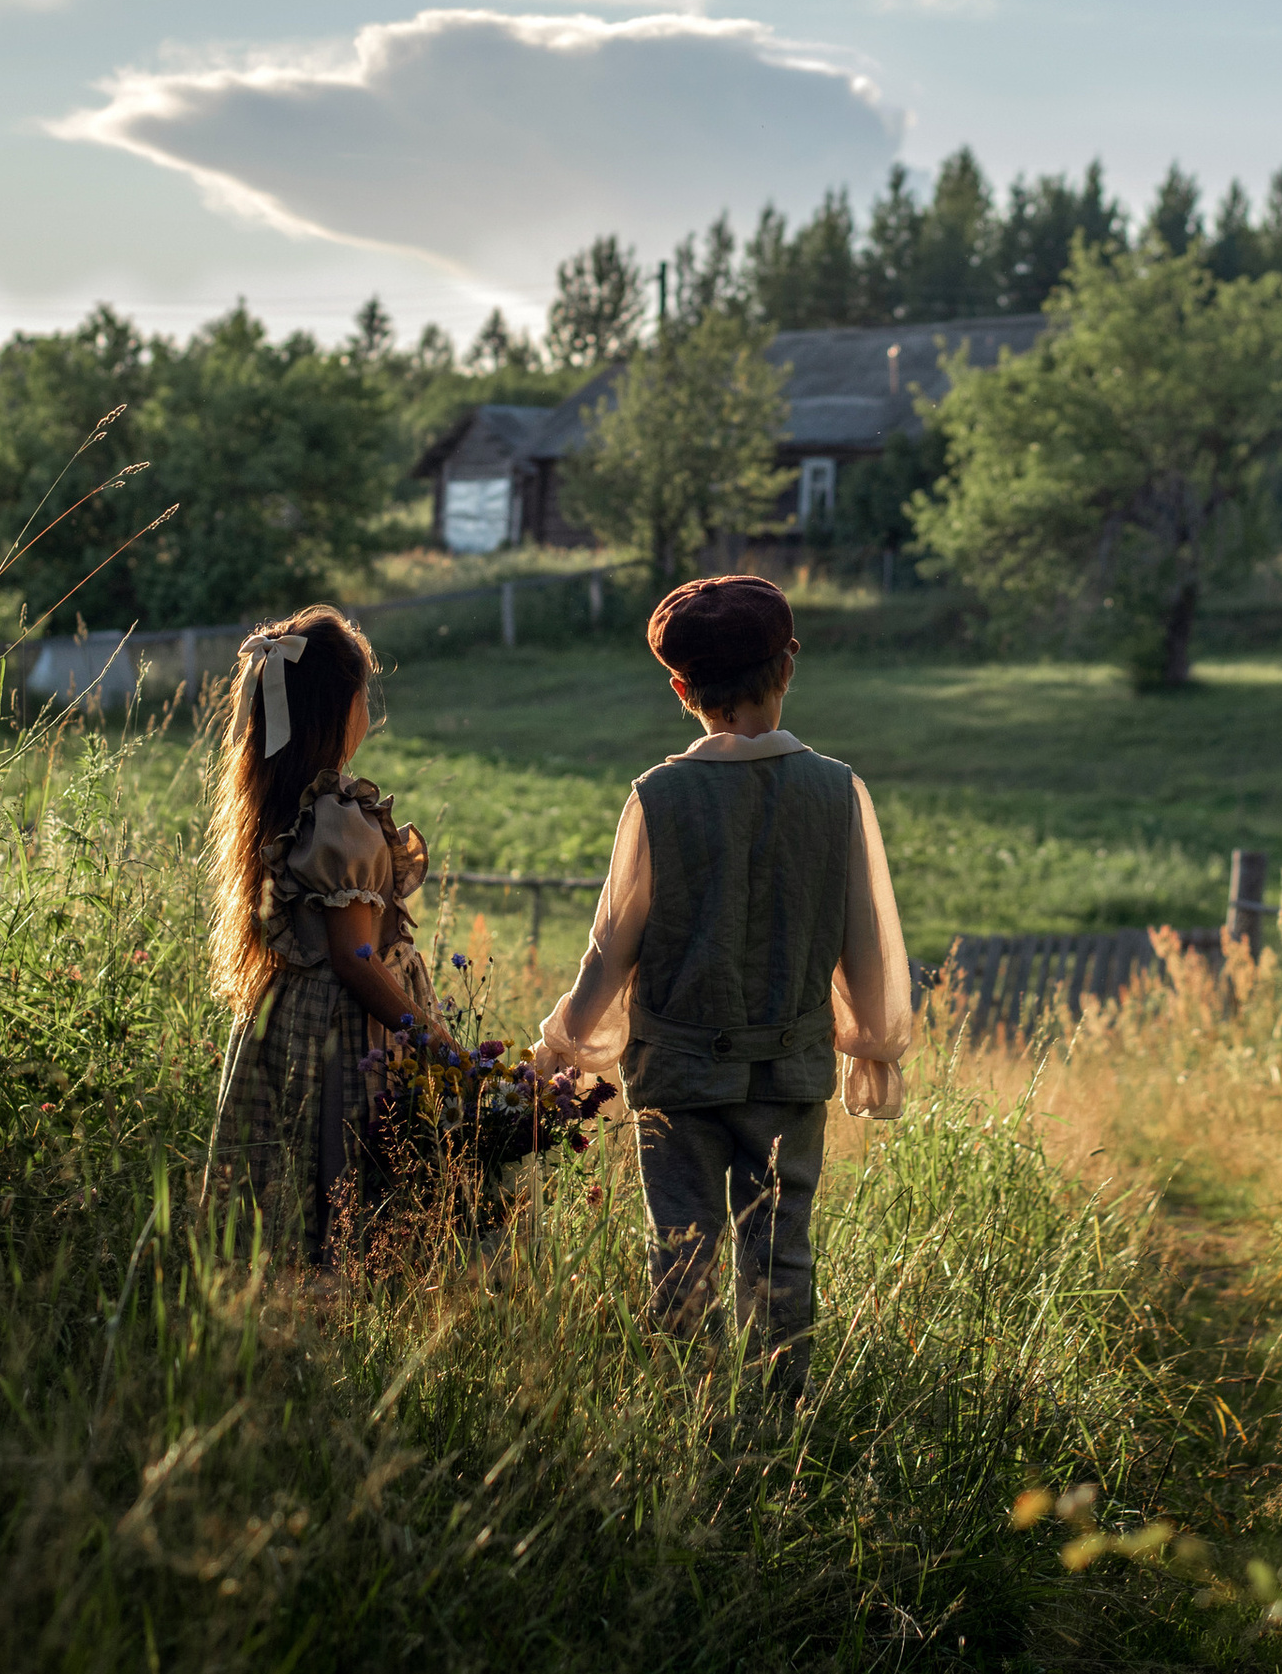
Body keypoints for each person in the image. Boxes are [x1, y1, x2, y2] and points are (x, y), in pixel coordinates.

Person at [531, 574, 914, 1397]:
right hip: (789, 1071)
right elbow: (867, 944)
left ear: (681, 688)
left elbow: (612, 947)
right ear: (789, 666)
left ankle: (687, 1418)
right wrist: (872, 1040)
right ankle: (782, 1427)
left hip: (677, 1074)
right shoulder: (835, 791)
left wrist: (561, 1045)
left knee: (680, 1253)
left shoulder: (658, 796)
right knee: (782, 1253)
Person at [204, 605, 446, 1260]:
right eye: (365, 695)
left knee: (292, 1171)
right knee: (348, 1174)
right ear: (342, 709)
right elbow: (357, 958)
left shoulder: (277, 803)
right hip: (347, 1032)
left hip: (286, 1019)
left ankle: (290, 1292)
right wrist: (434, 1042)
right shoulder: (341, 820)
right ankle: (344, 1296)